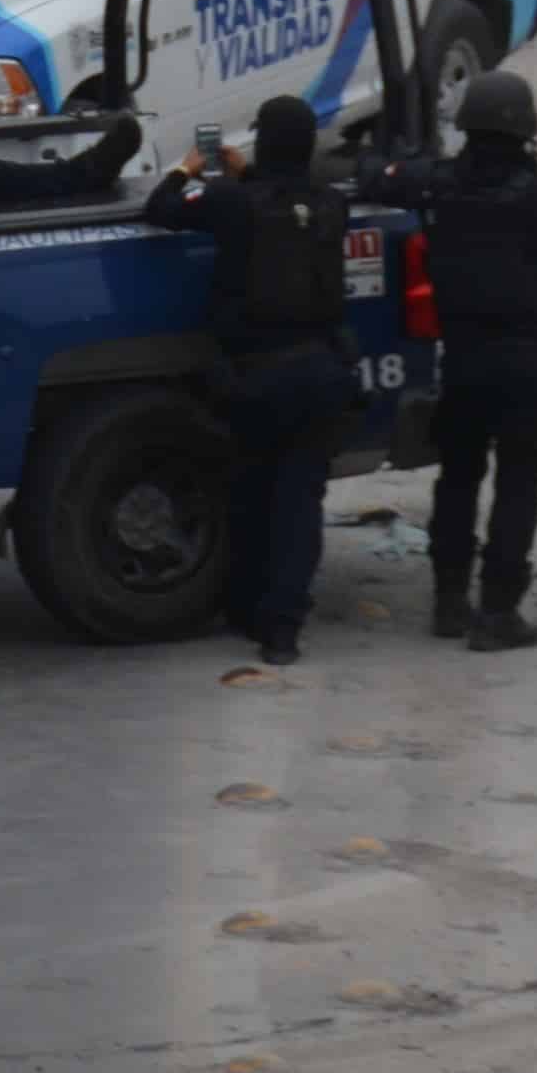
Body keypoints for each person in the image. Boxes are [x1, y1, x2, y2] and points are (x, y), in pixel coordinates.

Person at [140, 91, 355, 671]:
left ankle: (245, 607)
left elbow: (161, 208)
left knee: (250, 493)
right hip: (322, 373)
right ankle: (282, 630)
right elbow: (291, 205)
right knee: (299, 503)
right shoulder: (332, 205)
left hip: (256, 375)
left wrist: (188, 168)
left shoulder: (232, 201)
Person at [418, 73, 537, 654]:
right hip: (531, 366)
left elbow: (390, 181)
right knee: (518, 484)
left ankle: (450, 602)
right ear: (526, 131)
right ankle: (498, 612)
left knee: (457, 480)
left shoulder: (439, 190)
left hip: (467, 362)